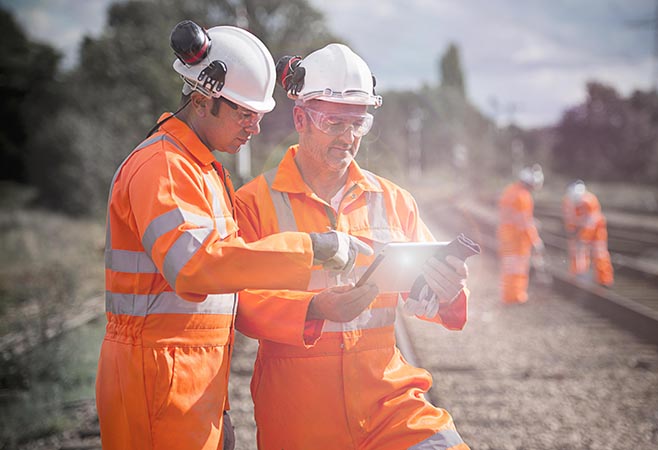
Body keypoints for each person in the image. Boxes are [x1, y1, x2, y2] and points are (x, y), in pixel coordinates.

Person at [96, 22, 373, 450]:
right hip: (156, 378)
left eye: (258, 116)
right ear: (204, 100)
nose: (254, 128)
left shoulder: (201, 169)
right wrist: (312, 248)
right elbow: (195, 267)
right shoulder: (163, 167)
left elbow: (230, 268)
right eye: (244, 113)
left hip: (192, 379)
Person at [233, 44, 471, 449]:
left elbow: (424, 298)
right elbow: (237, 304)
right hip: (299, 416)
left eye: (358, 124)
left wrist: (448, 293)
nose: (348, 137)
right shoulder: (253, 203)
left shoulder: (394, 200)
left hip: (389, 404)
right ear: (301, 119)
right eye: (334, 122)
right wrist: (313, 308)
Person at [496, 164, 545, 304]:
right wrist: (535, 241)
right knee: (518, 270)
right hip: (518, 240)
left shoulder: (509, 191)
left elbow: (511, 216)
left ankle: (508, 296)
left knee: (508, 269)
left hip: (506, 236)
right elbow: (525, 223)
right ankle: (516, 296)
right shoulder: (523, 196)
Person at [564, 180, 614, 286]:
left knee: (600, 254)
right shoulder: (569, 202)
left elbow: (591, 224)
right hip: (580, 230)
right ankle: (577, 276)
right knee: (576, 252)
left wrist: (583, 238)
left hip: (597, 231)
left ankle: (604, 280)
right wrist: (573, 233)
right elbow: (570, 219)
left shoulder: (591, 201)